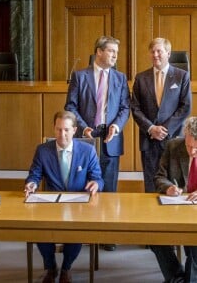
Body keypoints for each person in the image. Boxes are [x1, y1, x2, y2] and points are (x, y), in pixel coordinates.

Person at [65, 35, 130, 251]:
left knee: (109, 189)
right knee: (84, 185)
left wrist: (116, 127)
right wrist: (84, 128)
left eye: (116, 53)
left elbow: (124, 108)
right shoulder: (79, 76)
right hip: (87, 140)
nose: (114, 56)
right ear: (99, 51)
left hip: (111, 138)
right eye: (111, 51)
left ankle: (107, 235)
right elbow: (71, 106)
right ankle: (83, 232)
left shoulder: (120, 78)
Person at [24, 110, 103, 283]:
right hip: (51, 203)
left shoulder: (87, 151)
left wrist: (96, 184)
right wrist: (31, 183)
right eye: (58, 129)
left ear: (74, 130)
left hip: (79, 203)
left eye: (66, 130)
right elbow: (34, 175)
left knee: (77, 229)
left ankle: (66, 268)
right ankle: (51, 267)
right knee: (38, 228)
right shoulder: (43, 150)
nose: (62, 134)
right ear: (54, 129)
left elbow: (98, 178)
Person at [131, 37, 192, 193]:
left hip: (174, 139)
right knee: (151, 185)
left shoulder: (181, 76)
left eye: (159, 51)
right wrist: (151, 128)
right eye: (152, 52)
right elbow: (135, 107)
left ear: (168, 53)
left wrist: (164, 129)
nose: (155, 55)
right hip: (149, 139)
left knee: (175, 184)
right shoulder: (141, 78)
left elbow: (185, 107)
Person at [151, 116, 197, 283]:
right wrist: (168, 187)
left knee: (195, 244)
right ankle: (177, 277)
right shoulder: (173, 146)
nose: (192, 151)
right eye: (189, 145)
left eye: (196, 149)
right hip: (175, 208)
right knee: (154, 238)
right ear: (185, 136)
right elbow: (159, 177)